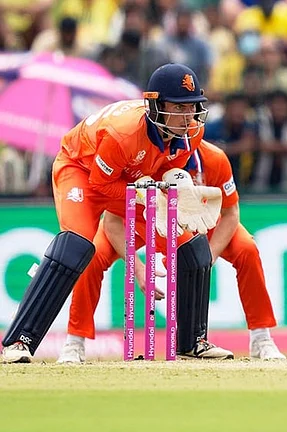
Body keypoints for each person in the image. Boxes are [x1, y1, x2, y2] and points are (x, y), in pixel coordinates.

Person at [1, 63, 223, 363]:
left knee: (193, 247)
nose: (188, 118)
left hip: (130, 179)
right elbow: (104, 190)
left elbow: (163, 172)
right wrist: (147, 200)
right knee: (75, 246)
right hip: (82, 170)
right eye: (178, 108)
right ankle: (18, 342)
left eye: (192, 107)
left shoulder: (192, 135)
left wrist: (174, 188)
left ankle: (192, 342)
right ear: (156, 106)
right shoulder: (123, 134)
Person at [57, 140, 286, 363]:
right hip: (139, 220)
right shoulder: (142, 157)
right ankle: (74, 342)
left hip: (197, 223)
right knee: (92, 255)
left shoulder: (213, 158)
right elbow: (113, 221)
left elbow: (231, 213)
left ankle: (261, 338)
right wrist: (138, 269)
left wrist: (206, 259)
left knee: (247, 249)